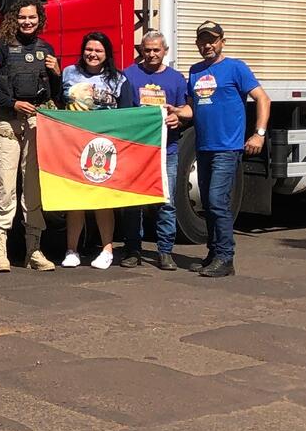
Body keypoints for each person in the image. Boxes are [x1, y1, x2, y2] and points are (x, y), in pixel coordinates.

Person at [0, 0, 62, 271]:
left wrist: (57, 73)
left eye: (32, 18)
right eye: (23, 17)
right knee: (4, 190)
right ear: (15, 19)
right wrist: (12, 103)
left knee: (34, 191)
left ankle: (33, 251)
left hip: (37, 126)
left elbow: (55, 94)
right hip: (7, 127)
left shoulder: (46, 50)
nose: (27, 22)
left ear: (40, 20)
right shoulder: (0, 49)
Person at [187, 20, 271, 278]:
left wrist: (259, 134)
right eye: (203, 40)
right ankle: (213, 253)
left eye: (212, 40)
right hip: (204, 146)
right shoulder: (195, 71)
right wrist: (174, 111)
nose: (207, 45)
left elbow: (263, 98)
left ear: (223, 41)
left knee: (216, 200)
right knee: (208, 204)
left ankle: (226, 258)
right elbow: (193, 108)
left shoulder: (236, 68)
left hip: (227, 147)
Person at [116, 31, 193, 270]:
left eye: (156, 50)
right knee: (133, 202)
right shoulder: (128, 75)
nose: (151, 54)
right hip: (136, 150)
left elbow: (185, 109)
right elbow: (123, 114)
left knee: (166, 201)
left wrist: (177, 119)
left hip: (166, 150)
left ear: (165, 51)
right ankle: (132, 249)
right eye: (147, 50)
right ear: (141, 50)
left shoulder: (176, 79)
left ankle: (165, 251)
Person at [57, 31, 124, 269]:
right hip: (73, 144)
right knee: (75, 197)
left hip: (104, 146)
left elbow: (127, 114)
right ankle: (71, 250)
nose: (92, 54)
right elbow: (57, 105)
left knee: (102, 199)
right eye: (89, 49)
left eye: (98, 51)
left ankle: (107, 250)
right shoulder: (67, 73)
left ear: (107, 55)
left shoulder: (118, 79)